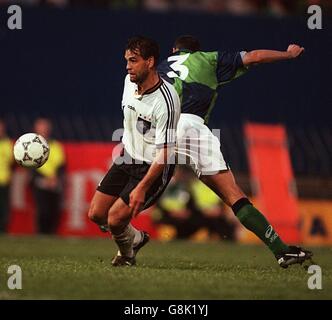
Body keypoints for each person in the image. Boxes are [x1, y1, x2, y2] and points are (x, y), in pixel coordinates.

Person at [158, 35, 313, 268]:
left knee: (140, 184)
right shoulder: (209, 59)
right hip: (193, 127)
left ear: (173, 50)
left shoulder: (158, 66)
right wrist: (288, 54)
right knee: (234, 196)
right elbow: (255, 57)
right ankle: (281, 251)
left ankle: (115, 228)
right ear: (196, 50)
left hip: (162, 126)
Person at [88, 36, 180, 266]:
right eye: (127, 60)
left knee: (116, 218)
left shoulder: (166, 101)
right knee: (96, 215)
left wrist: (142, 187)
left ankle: (127, 255)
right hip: (128, 156)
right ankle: (136, 238)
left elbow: (166, 152)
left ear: (150, 62)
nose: (128, 66)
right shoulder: (129, 82)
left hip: (154, 165)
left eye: (133, 60)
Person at [30, 117, 66, 234]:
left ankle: (52, 235)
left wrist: (55, 178)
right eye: (41, 127)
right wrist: (45, 178)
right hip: (40, 182)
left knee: (54, 211)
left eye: (45, 127)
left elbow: (61, 164)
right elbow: (30, 165)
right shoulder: (30, 146)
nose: (44, 130)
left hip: (54, 183)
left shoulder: (55, 145)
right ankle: (40, 234)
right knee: (42, 211)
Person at [0, 119, 14, 233]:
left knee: (3, 208)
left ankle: (3, 230)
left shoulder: (8, 143)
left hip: (4, 180)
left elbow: (12, 162)